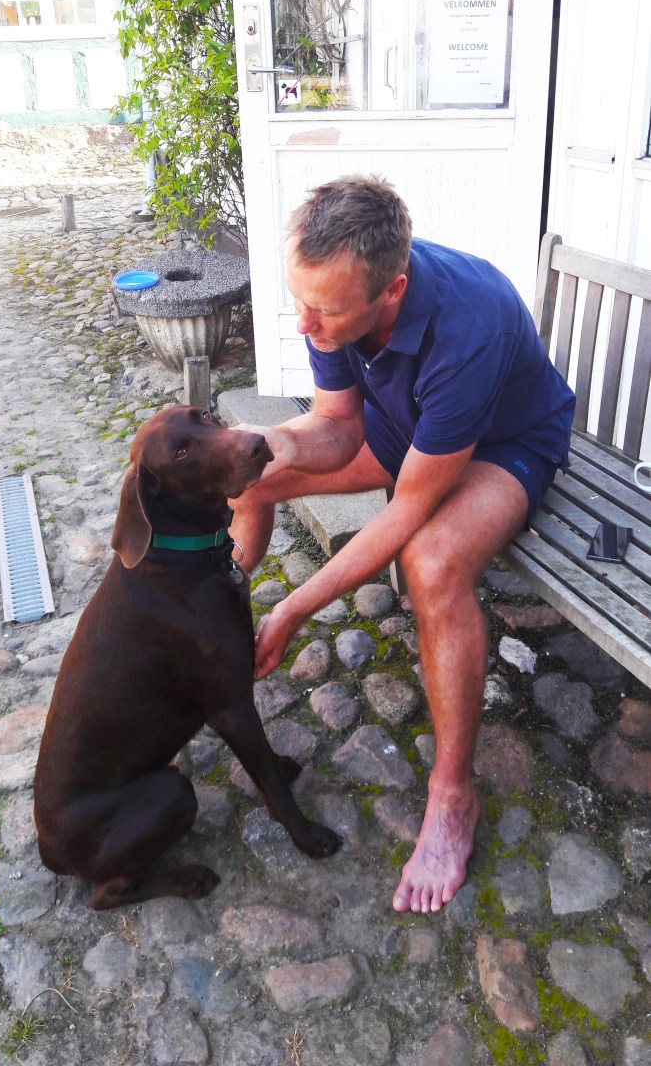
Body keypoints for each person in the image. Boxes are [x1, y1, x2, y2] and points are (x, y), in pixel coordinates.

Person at [229, 175, 575, 915]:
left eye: (324, 311)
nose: (304, 324)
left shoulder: (469, 326)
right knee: (249, 479)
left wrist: (294, 609)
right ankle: (216, 622)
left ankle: (452, 795)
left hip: (507, 443)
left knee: (432, 563)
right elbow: (336, 425)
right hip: (411, 431)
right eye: (299, 301)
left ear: (391, 292)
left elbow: (408, 512)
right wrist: (276, 442)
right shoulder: (331, 303)